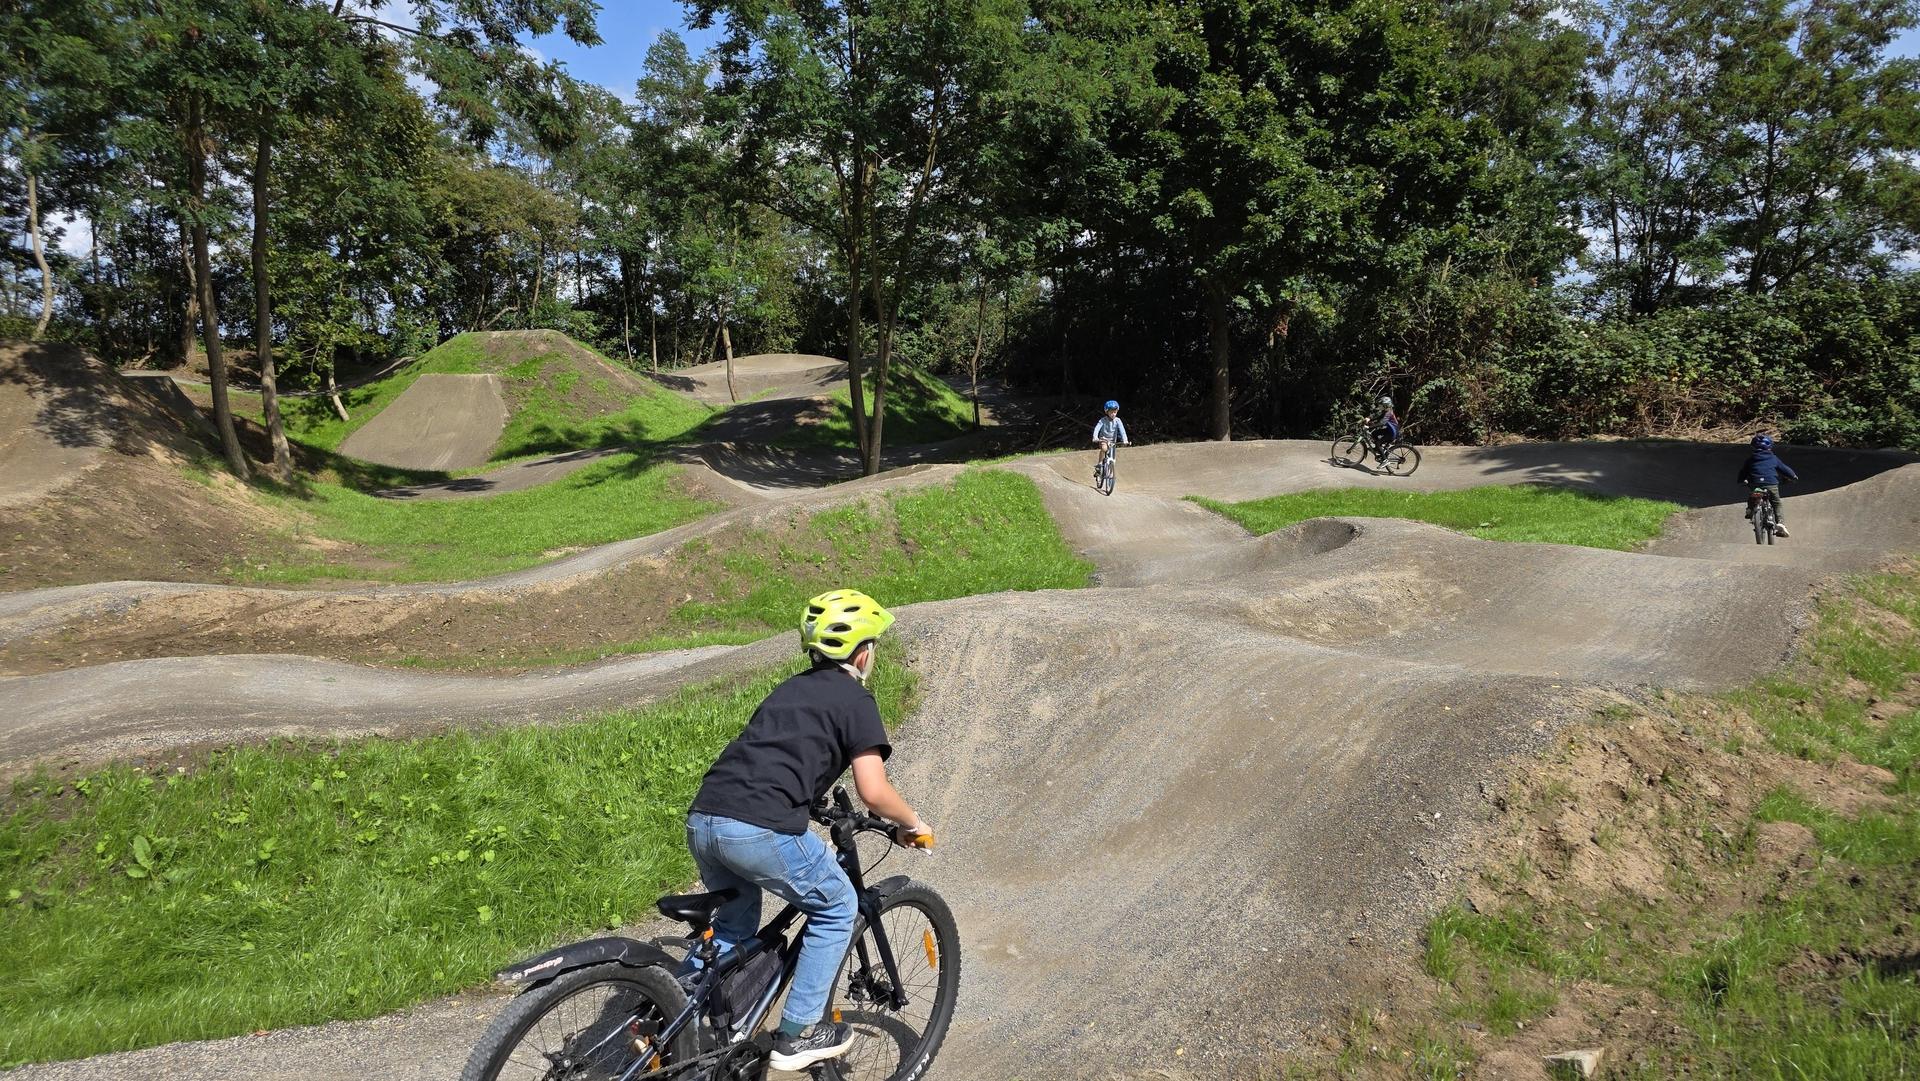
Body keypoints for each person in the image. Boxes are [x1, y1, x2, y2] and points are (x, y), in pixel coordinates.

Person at [685, 589, 934, 1071]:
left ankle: (670, 1017)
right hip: (757, 830)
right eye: (874, 646)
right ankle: (797, 1034)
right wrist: (912, 823)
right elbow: (873, 791)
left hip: (705, 818)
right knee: (839, 904)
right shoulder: (855, 699)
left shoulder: (789, 689)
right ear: (861, 653)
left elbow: (776, 758)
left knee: (734, 927)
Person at [1737, 433, 1798, 538]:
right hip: (1771, 483)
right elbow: (1784, 468)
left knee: (1753, 493)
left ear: (1753, 446)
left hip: (1755, 482)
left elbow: (1743, 472)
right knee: (1776, 502)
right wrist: (1793, 476)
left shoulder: (1751, 459)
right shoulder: (1773, 458)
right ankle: (1780, 523)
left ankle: (1750, 509)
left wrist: (1741, 480)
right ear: (1770, 446)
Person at [1093, 400, 1129, 482]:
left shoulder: (1118, 420)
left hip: (1113, 441)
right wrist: (1095, 437)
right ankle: (1099, 465)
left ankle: (1111, 473)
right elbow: (1097, 428)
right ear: (1107, 412)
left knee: (1113, 458)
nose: (1113, 414)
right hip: (1103, 439)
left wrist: (1125, 439)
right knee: (1104, 449)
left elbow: (1122, 430)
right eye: (1111, 412)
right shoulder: (1102, 420)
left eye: (1115, 412)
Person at [1369, 395, 1400, 460]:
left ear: (1386, 405)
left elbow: (1381, 423)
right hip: (1389, 430)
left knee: (1378, 443)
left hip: (1392, 433)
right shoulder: (1386, 411)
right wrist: (1369, 419)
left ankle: (1385, 460)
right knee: (1374, 433)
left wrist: (1369, 427)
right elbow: (1378, 417)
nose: (1380, 406)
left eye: (1381, 405)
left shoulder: (1389, 413)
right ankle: (1378, 449)